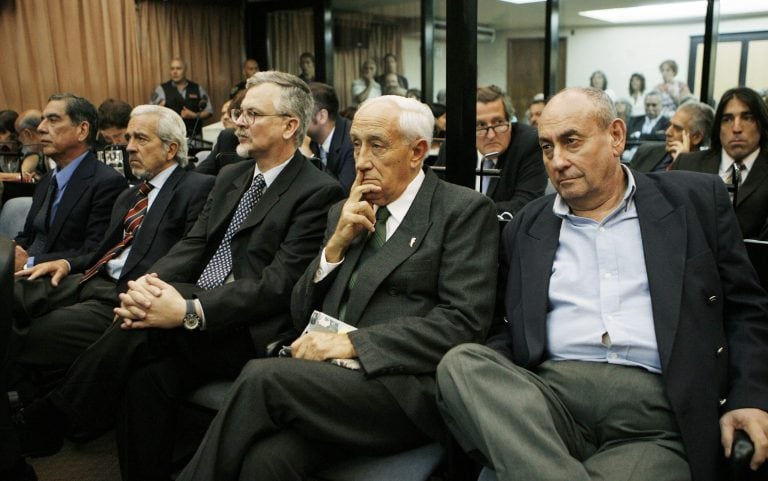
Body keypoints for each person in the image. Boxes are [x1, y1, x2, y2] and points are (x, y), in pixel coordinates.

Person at [7, 72, 345, 481]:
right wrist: (147, 285)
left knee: (140, 327)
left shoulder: (317, 191)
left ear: (290, 125)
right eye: (240, 113)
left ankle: (48, 418)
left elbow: (275, 285)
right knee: (145, 377)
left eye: (252, 114)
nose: (238, 121)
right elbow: (191, 246)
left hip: (243, 327)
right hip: (189, 316)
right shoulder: (231, 177)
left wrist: (188, 309)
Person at [436, 87, 768, 481]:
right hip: (548, 403)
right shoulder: (527, 226)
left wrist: (749, 396)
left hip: (654, 414)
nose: (557, 161)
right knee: (460, 365)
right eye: (546, 147)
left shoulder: (694, 201)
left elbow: (746, 309)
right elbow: (503, 328)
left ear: (616, 137)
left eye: (571, 141)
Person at [176, 94, 498, 481]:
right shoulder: (344, 211)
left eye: (377, 146)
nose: (362, 161)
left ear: (418, 151)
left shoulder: (461, 210)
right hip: (327, 382)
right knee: (266, 462)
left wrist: (353, 343)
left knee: (262, 377)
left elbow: (462, 322)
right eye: (357, 144)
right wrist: (334, 247)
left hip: (400, 388)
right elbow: (298, 312)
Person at [3, 106, 214, 471]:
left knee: (27, 336)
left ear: (170, 148)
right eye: (128, 137)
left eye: (141, 139)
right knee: (9, 294)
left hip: (122, 294)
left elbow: (191, 258)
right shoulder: (131, 194)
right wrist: (66, 263)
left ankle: (41, 420)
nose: (129, 147)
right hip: (85, 279)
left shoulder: (197, 188)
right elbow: (100, 250)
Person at [14, 93, 127, 272]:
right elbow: (29, 237)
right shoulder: (46, 180)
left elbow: (94, 251)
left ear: (82, 130)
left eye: (53, 120)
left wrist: (29, 263)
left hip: (62, 279)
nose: (41, 128)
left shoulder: (107, 183)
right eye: (43, 120)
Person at [671, 86, 768, 240]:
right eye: (727, 119)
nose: (736, 128)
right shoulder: (687, 165)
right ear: (718, 127)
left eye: (747, 117)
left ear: (761, 124)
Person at [438, 85, 546, 216]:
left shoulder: (528, 143)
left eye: (499, 122)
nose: (491, 135)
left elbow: (525, 204)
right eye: (480, 125)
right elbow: (438, 197)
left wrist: (468, 215)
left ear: (510, 121)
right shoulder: (454, 146)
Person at [630, 101, 713, 172]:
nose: (667, 132)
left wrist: (684, 162)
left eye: (677, 128)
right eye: (670, 125)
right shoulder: (645, 151)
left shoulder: (706, 169)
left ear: (696, 137)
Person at [307, 82, 355, 192]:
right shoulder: (311, 141)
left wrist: (309, 155)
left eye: (302, 114)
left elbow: (341, 193)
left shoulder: (352, 141)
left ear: (322, 116)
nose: (296, 120)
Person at [150, 57, 214, 137]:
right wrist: (160, 110)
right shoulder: (162, 89)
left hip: (194, 137)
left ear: (185, 70)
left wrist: (194, 115)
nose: (175, 72)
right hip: (170, 136)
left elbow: (209, 111)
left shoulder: (197, 88)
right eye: (172, 69)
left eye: (178, 68)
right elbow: (151, 113)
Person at [14, 110, 50, 181]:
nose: (19, 139)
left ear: (27, 133)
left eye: (19, 135)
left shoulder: (56, 152)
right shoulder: (42, 151)